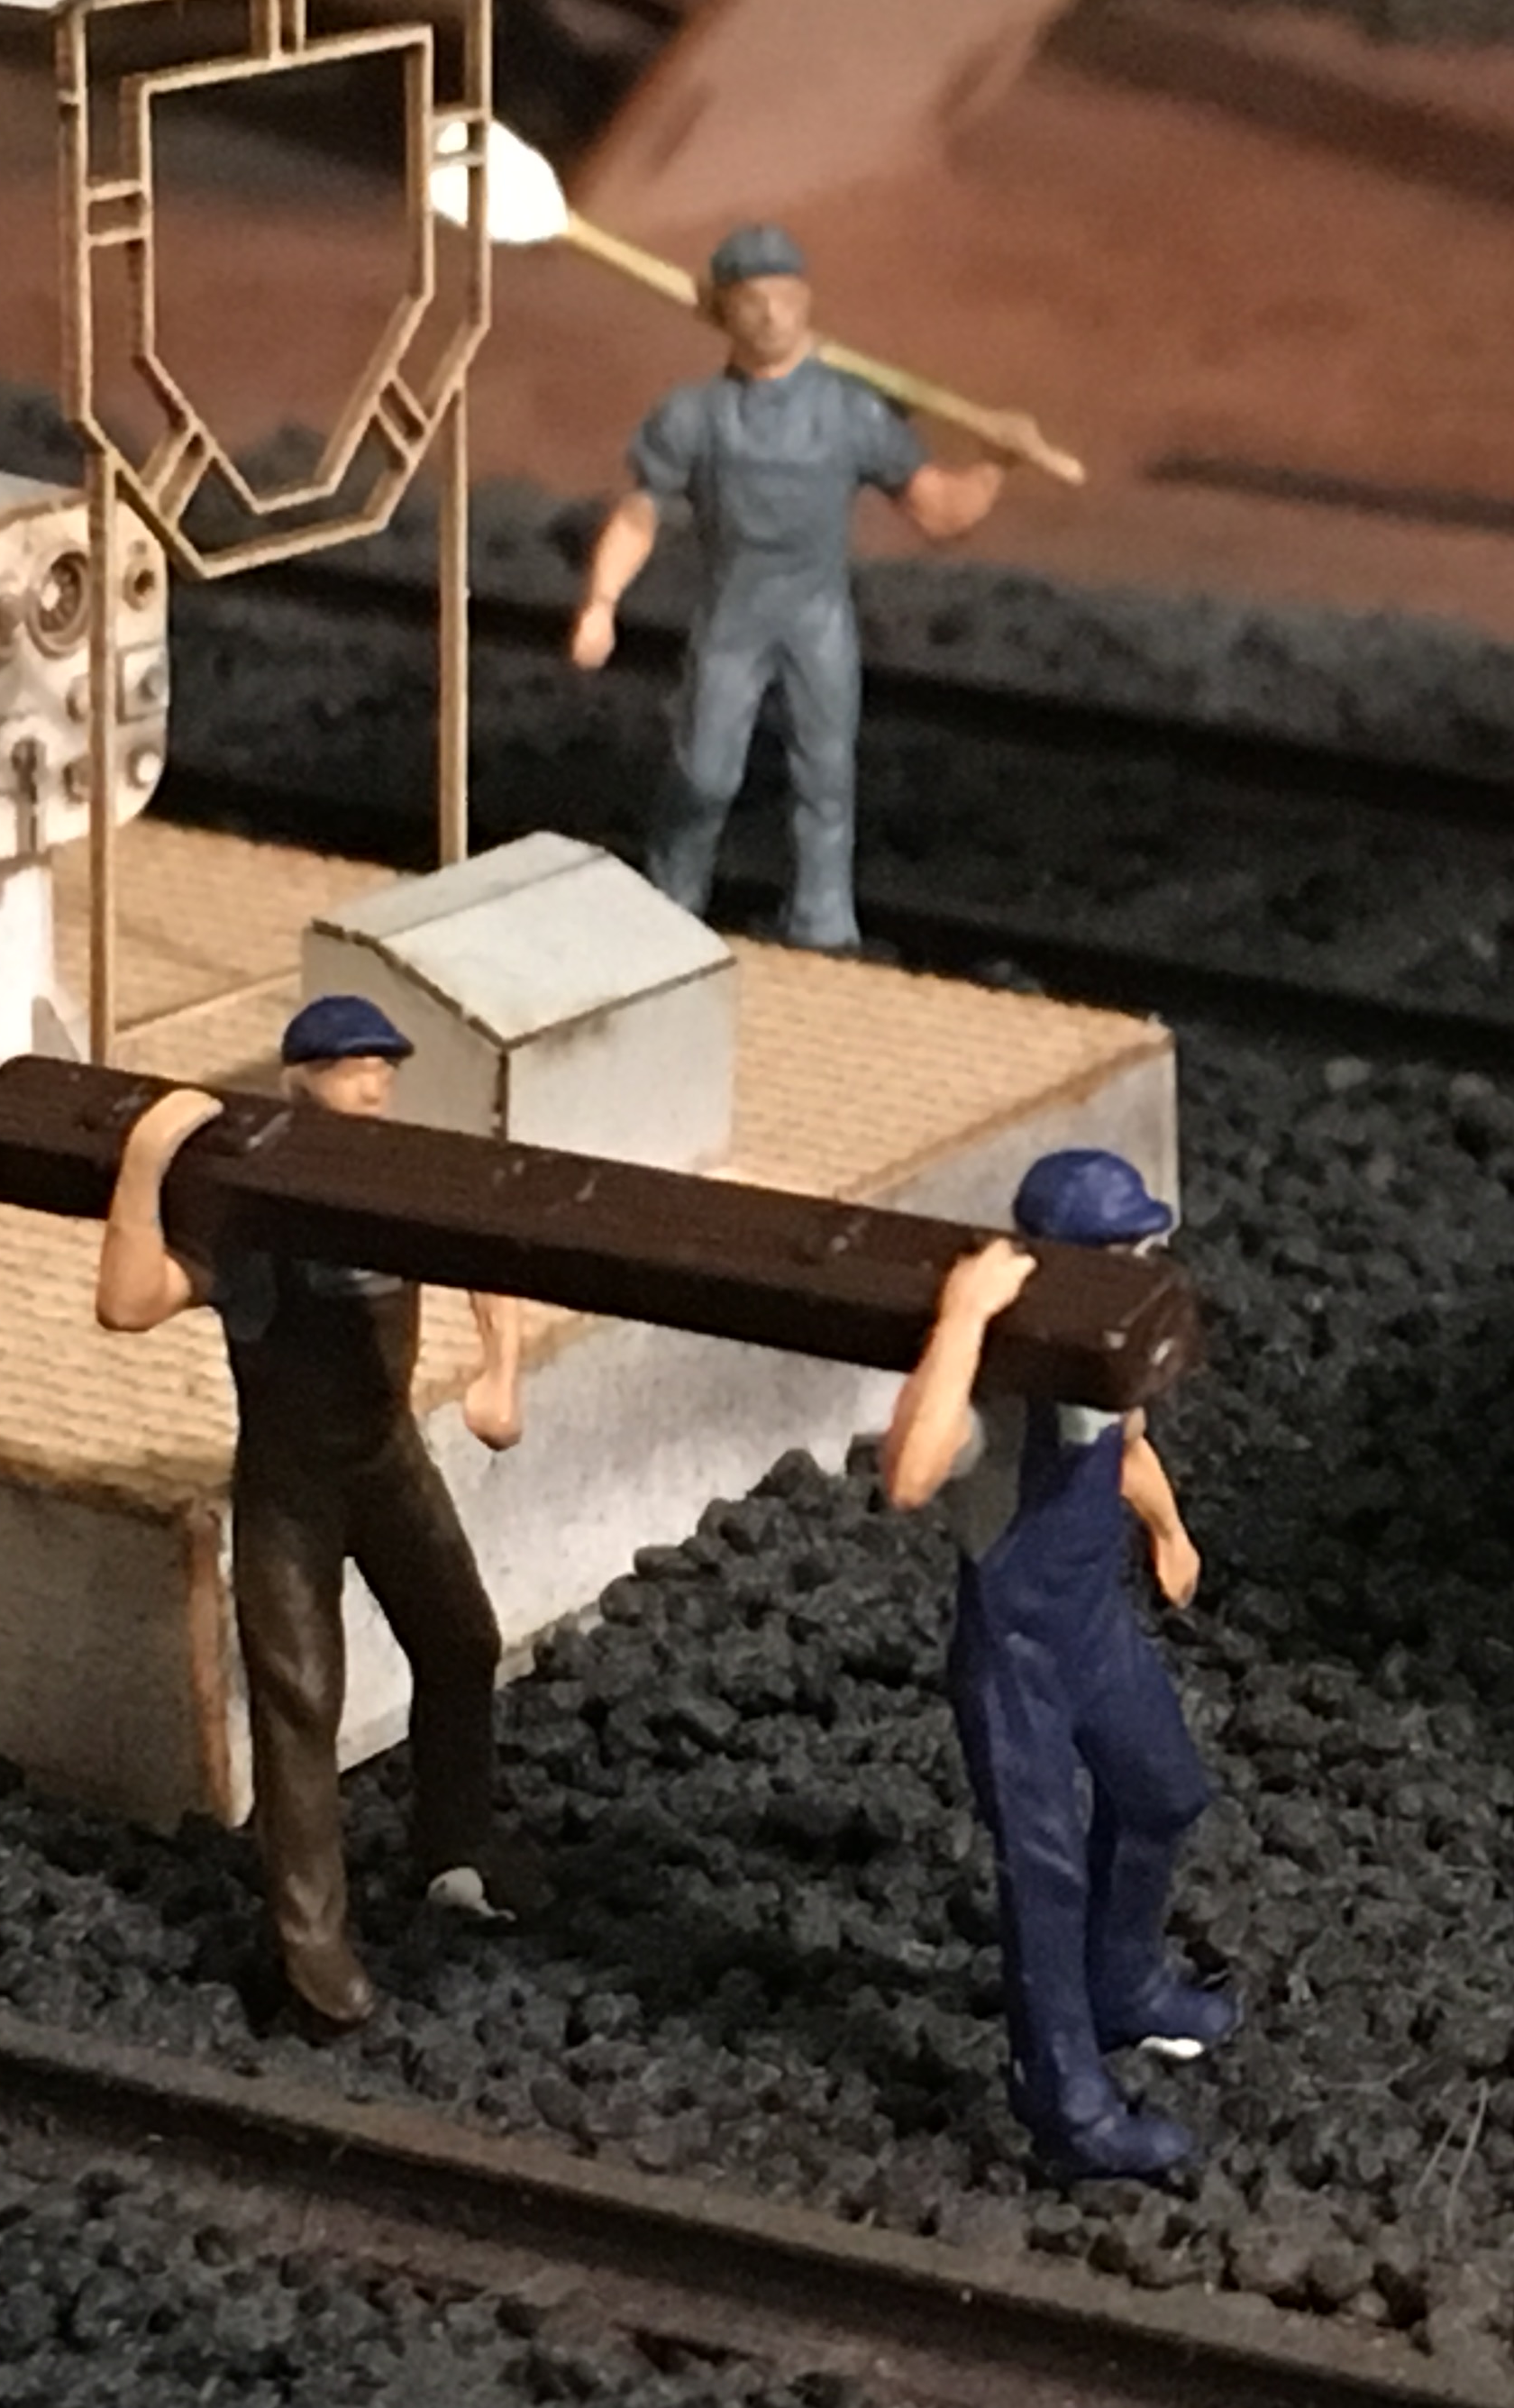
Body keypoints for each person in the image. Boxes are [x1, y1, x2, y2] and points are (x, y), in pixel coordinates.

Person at [93, 995, 534, 2031]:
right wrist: (146, 1164)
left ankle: (457, 1852)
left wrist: (500, 1372)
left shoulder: (396, 1185)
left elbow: (487, 1262)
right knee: (299, 1704)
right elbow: (127, 1300)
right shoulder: (255, 1213)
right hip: (290, 1484)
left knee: (460, 1640)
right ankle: (312, 1952)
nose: (373, 1087)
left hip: (387, 1460)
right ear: (301, 1082)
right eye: (351, 1070)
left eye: (383, 1070)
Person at [879, 1150, 1235, 2180]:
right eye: (1124, 1253)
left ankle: (1123, 1985)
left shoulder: (1103, 1358)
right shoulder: (997, 1389)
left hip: (1094, 1628)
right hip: (1016, 1658)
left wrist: (1168, 1532)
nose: (1143, 1270)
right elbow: (907, 1474)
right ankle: (1068, 2107)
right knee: (1044, 1875)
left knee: (1163, 1794)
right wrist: (962, 1318)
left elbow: (1125, 1451)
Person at [567, 223, 1004, 954]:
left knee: (825, 781)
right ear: (723, 312)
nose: (771, 313)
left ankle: (824, 928)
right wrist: (601, 603)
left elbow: (938, 510)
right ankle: (669, 913)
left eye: (784, 296)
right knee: (704, 775)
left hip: (817, 622)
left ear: (806, 301)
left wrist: (995, 465)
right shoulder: (694, 416)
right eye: (752, 299)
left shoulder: (852, 411)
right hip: (732, 622)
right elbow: (639, 515)